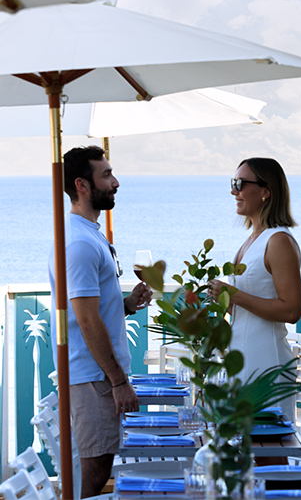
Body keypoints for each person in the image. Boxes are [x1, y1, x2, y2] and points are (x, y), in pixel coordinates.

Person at [49, 146, 153, 498]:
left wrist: (125, 304)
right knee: (93, 477)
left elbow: (95, 310)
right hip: (94, 378)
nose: (115, 182)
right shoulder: (78, 242)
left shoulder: (90, 233)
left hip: (98, 375)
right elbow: (87, 320)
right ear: (81, 184)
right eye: (106, 175)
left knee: (100, 468)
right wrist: (119, 381)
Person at [211, 158, 301, 424]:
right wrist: (222, 300)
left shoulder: (279, 241)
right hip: (243, 358)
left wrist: (234, 294)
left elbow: (292, 309)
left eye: (240, 184)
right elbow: (246, 309)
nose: (234, 191)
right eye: (233, 183)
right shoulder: (251, 241)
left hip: (266, 362)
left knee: (269, 450)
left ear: (266, 191)